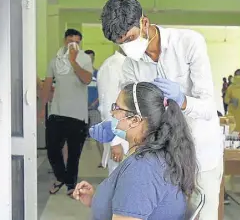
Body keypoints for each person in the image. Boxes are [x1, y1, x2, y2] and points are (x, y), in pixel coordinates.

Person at [100, 0, 223, 219]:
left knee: (201, 214)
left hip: (200, 153)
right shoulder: (130, 65)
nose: (127, 47)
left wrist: (182, 100)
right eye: (121, 42)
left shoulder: (188, 43)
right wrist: (117, 134)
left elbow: (207, 107)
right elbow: (132, 113)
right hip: (163, 157)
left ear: (144, 23)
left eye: (130, 38)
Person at [73, 82, 198, 220]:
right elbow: (136, 203)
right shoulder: (156, 156)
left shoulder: (142, 169)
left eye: (116, 107)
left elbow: (137, 190)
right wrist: (97, 201)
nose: (112, 113)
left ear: (134, 120)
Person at [40, 28, 93, 196]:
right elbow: (47, 85)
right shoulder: (54, 61)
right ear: (65, 41)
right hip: (57, 112)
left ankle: (70, 184)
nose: (74, 45)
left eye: (77, 42)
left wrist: (73, 62)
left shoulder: (84, 59)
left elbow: (86, 79)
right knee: (53, 149)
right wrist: (41, 108)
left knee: (73, 155)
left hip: (78, 115)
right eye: (71, 41)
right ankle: (61, 177)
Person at [96, 48, 129, 174]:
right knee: (119, 182)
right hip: (120, 139)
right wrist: (115, 142)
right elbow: (107, 107)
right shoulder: (112, 65)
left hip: (136, 137)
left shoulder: (133, 64)